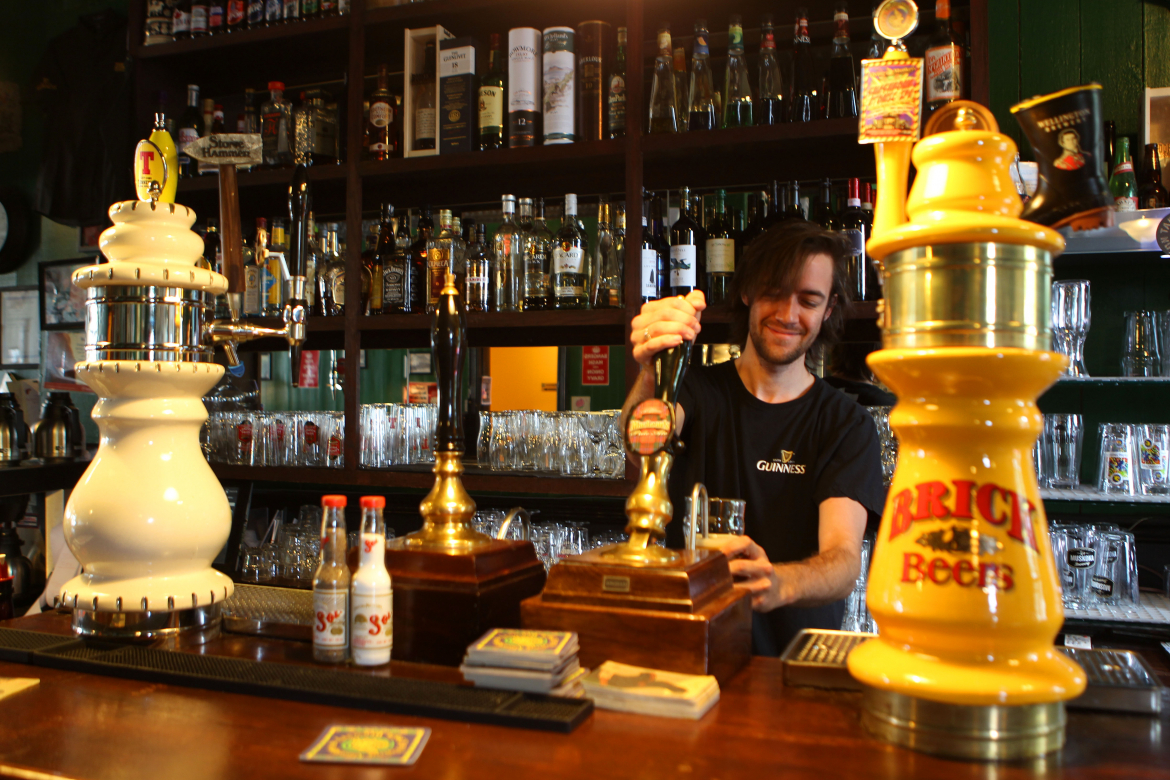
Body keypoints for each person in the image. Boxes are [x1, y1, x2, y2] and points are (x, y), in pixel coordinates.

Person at [622, 219, 886, 656]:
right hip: (687, 656)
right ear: (747, 292)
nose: (788, 314)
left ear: (829, 309)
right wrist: (652, 369)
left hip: (791, 665)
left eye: (808, 300)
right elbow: (639, 447)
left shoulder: (846, 423)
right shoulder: (695, 392)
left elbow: (843, 561)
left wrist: (778, 581)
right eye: (774, 292)